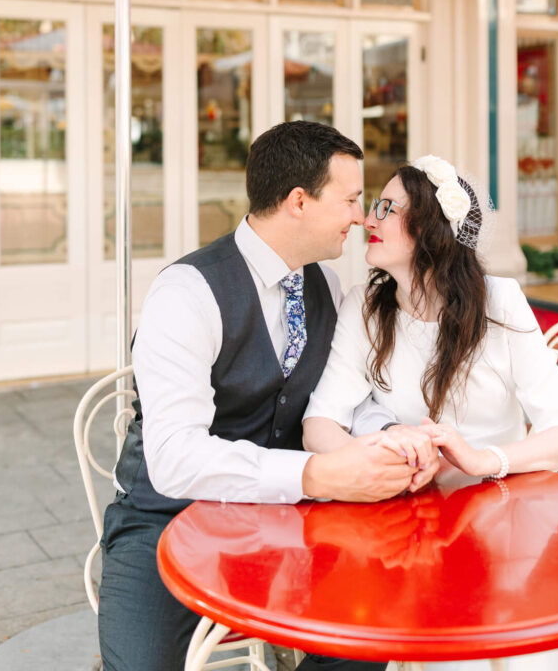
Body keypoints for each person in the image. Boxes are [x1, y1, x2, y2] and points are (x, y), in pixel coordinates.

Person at [98, 122, 438, 671]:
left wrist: (386, 436)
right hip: (165, 518)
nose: (360, 216)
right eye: (351, 199)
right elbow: (173, 460)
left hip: (285, 516)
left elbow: (341, 399)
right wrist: (316, 475)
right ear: (299, 201)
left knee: (369, 635)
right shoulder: (186, 293)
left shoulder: (323, 285)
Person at [302, 155, 558, 671]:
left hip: (503, 515)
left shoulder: (500, 302)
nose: (369, 219)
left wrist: (484, 459)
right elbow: (319, 423)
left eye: (387, 208)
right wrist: (373, 456)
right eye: (373, 206)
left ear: (432, 230)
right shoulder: (364, 309)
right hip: (403, 521)